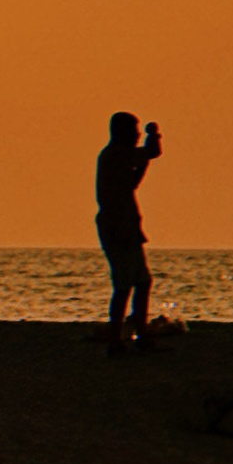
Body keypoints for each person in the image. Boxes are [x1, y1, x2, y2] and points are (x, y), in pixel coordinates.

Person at [95, 113, 161, 349]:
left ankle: (139, 334)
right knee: (124, 285)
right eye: (134, 130)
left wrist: (144, 161)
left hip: (126, 226)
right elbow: (152, 152)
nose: (137, 134)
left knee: (141, 281)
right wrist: (154, 137)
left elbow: (131, 183)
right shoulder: (116, 154)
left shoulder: (116, 156)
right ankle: (116, 339)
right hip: (118, 227)